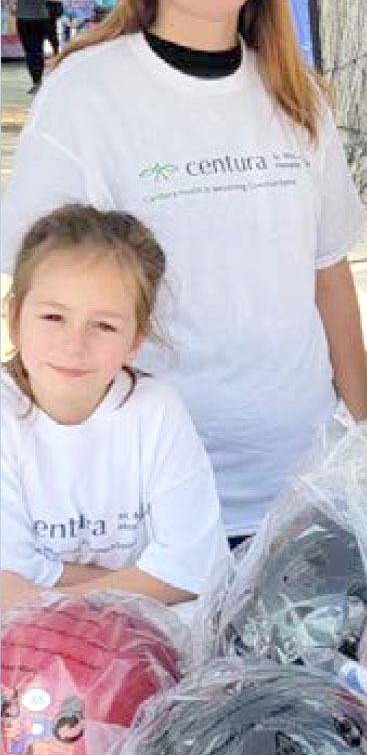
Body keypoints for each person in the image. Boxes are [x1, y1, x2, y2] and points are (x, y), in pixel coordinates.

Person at [1, 0, 367, 541]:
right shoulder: (88, 92)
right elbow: (39, 305)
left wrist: (360, 440)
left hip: (302, 488)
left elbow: (330, 273)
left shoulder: (297, 93)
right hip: (147, 502)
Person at [1, 204, 228, 609]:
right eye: (54, 317)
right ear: (15, 316)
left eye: (104, 325)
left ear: (135, 339)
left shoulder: (156, 411)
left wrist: (43, 594)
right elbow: (7, 576)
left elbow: (195, 569)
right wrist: (149, 579)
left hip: (148, 648)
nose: (74, 344)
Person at [6, 0, 52, 93]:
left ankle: (36, 80)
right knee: (38, 49)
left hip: (25, 16)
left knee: (30, 50)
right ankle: (40, 80)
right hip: (42, 16)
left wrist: (11, 6)